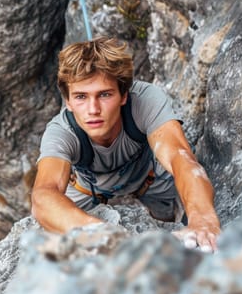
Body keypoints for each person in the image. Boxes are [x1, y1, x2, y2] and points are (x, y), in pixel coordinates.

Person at [31, 37, 221, 252]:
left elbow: (180, 158)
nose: (93, 109)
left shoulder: (145, 101)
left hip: (148, 177)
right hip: (87, 188)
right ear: (68, 102)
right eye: (81, 97)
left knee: (169, 216)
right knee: (55, 233)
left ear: (123, 95)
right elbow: (44, 195)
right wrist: (104, 236)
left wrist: (203, 219)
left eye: (104, 94)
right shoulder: (62, 131)